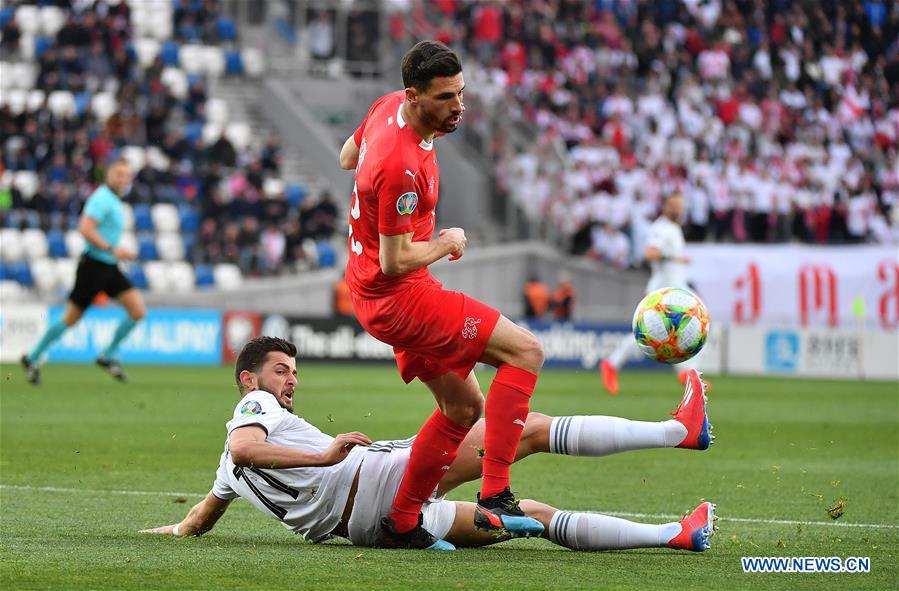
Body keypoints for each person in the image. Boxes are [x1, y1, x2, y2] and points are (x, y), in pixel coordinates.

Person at [141, 336, 717, 553]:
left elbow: (201, 517)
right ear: (249, 380)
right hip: (376, 481)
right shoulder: (252, 409)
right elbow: (245, 446)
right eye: (279, 371)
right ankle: (677, 432)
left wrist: (170, 530)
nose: (289, 381)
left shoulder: (227, 470)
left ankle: (675, 535)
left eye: (293, 372)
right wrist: (322, 456)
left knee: (534, 518)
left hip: (369, 532)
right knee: (528, 429)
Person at [337, 40, 546, 547]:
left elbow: (347, 155)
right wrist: (445, 242)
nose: (459, 106)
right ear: (414, 95)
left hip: (375, 290)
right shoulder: (400, 163)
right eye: (446, 97)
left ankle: (404, 520)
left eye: (461, 93)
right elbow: (395, 259)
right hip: (399, 295)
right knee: (526, 351)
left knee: (463, 409)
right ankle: (496, 492)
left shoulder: (386, 107)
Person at [21, 159, 145, 384]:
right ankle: (33, 356)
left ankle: (108, 354)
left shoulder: (115, 201)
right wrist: (112, 249)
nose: (122, 179)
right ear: (108, 175)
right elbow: (85, 228)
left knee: (137, 310)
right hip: (93, 266)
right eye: (118, 174)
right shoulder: (101, 198)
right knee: (70, 318)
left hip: (109, 266)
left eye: (126, 175)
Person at [600, 193, 697, 395]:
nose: (678, 210)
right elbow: (650, 252)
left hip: (676, 289)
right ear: (666, 207)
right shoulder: (661, 228)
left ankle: (686, 372)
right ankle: (611, 363)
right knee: (648, 334)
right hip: (662, 293)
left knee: (687, 326)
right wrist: (675, 258)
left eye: (681, 207)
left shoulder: (674, 228)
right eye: (675, 206)